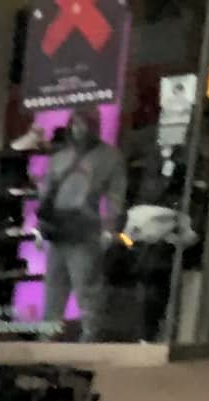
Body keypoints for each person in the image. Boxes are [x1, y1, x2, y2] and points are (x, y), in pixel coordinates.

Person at [37, 109, 126, 342]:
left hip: (84, 229)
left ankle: (89, 335)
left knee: (85, 286)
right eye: (76, 124)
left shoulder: (108, 157)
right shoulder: (61, 157)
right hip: (59, 227)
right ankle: (49, 335)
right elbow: (47, 192)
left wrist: (109, 227)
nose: (80, 129)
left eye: (84, 124)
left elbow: (115, 197)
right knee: (55, 286)